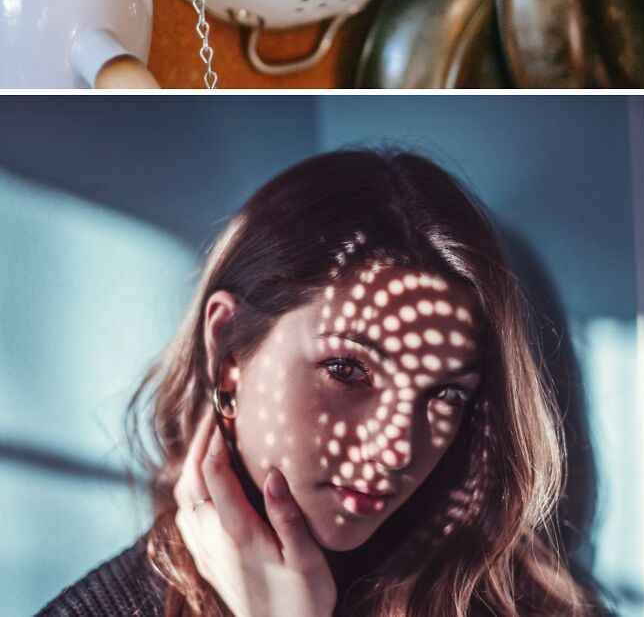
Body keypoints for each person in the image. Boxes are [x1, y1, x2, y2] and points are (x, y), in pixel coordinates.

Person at [39, 148, 607, 617]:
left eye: (445, 395)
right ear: (229, 350)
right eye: (347, 370)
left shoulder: (526, 604)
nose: (396, 450)